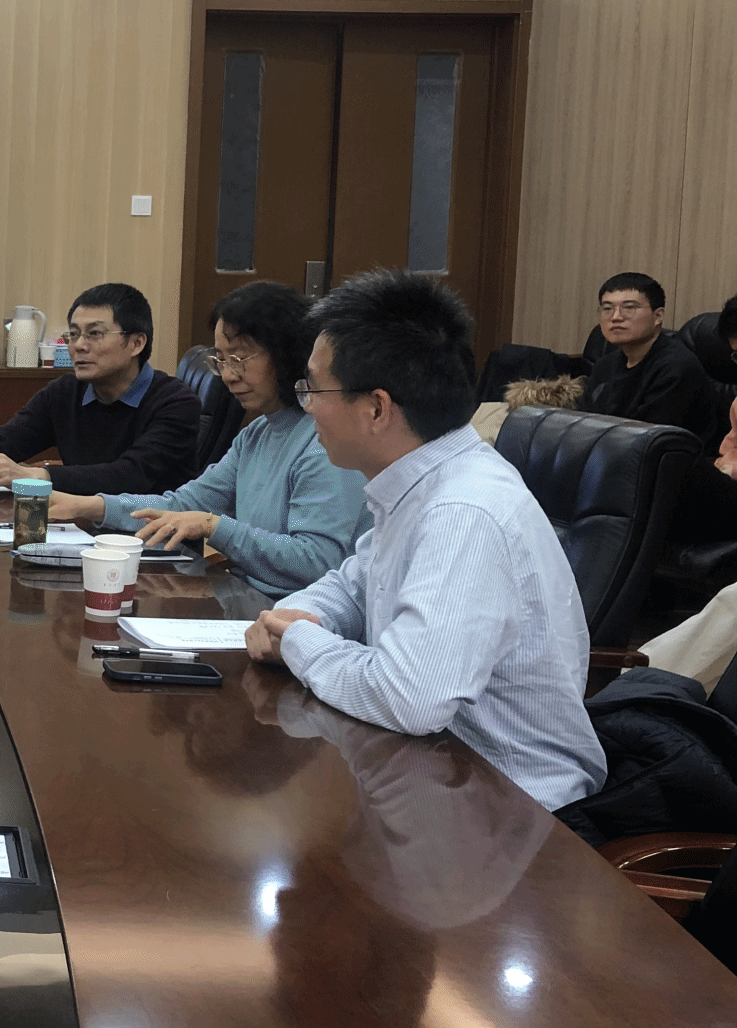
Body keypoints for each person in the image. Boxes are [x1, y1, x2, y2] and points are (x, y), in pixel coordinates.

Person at [244, 270, 605, 812]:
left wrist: (299, 642)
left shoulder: (463, 512)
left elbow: (410, 698)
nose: (307, 404)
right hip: (428, 774)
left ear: (376, 408)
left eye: (313, 387)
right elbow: (351, 586)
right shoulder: (419, 481)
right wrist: (295, 617)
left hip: (510, 810)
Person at [48, 281, 366, 598]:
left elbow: (316, 562)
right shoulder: (255, 434)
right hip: (246, 599)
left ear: (285, 354)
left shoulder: (325, 441)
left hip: (297, 612)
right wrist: (90, 506)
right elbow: (183, 505)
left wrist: (214, 527)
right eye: (221, 360)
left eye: (239, 358)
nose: (228, 375)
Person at [0, 283, 201, 495]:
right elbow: (5, 444)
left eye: (95, 334)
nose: (79, 345)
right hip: (79, 527)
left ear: (136, 343)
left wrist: (38, 475)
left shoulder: (175, 402)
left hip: (152, 537)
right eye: (73, 334)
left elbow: (130, 476)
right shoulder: (65, 392)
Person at [578, 272, 722, 444]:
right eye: (607, 308)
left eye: (629, 308)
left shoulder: (676, 366)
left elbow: (644, 439)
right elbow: (583, 423)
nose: (616, 317)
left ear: (658, 316)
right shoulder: (605, 365)